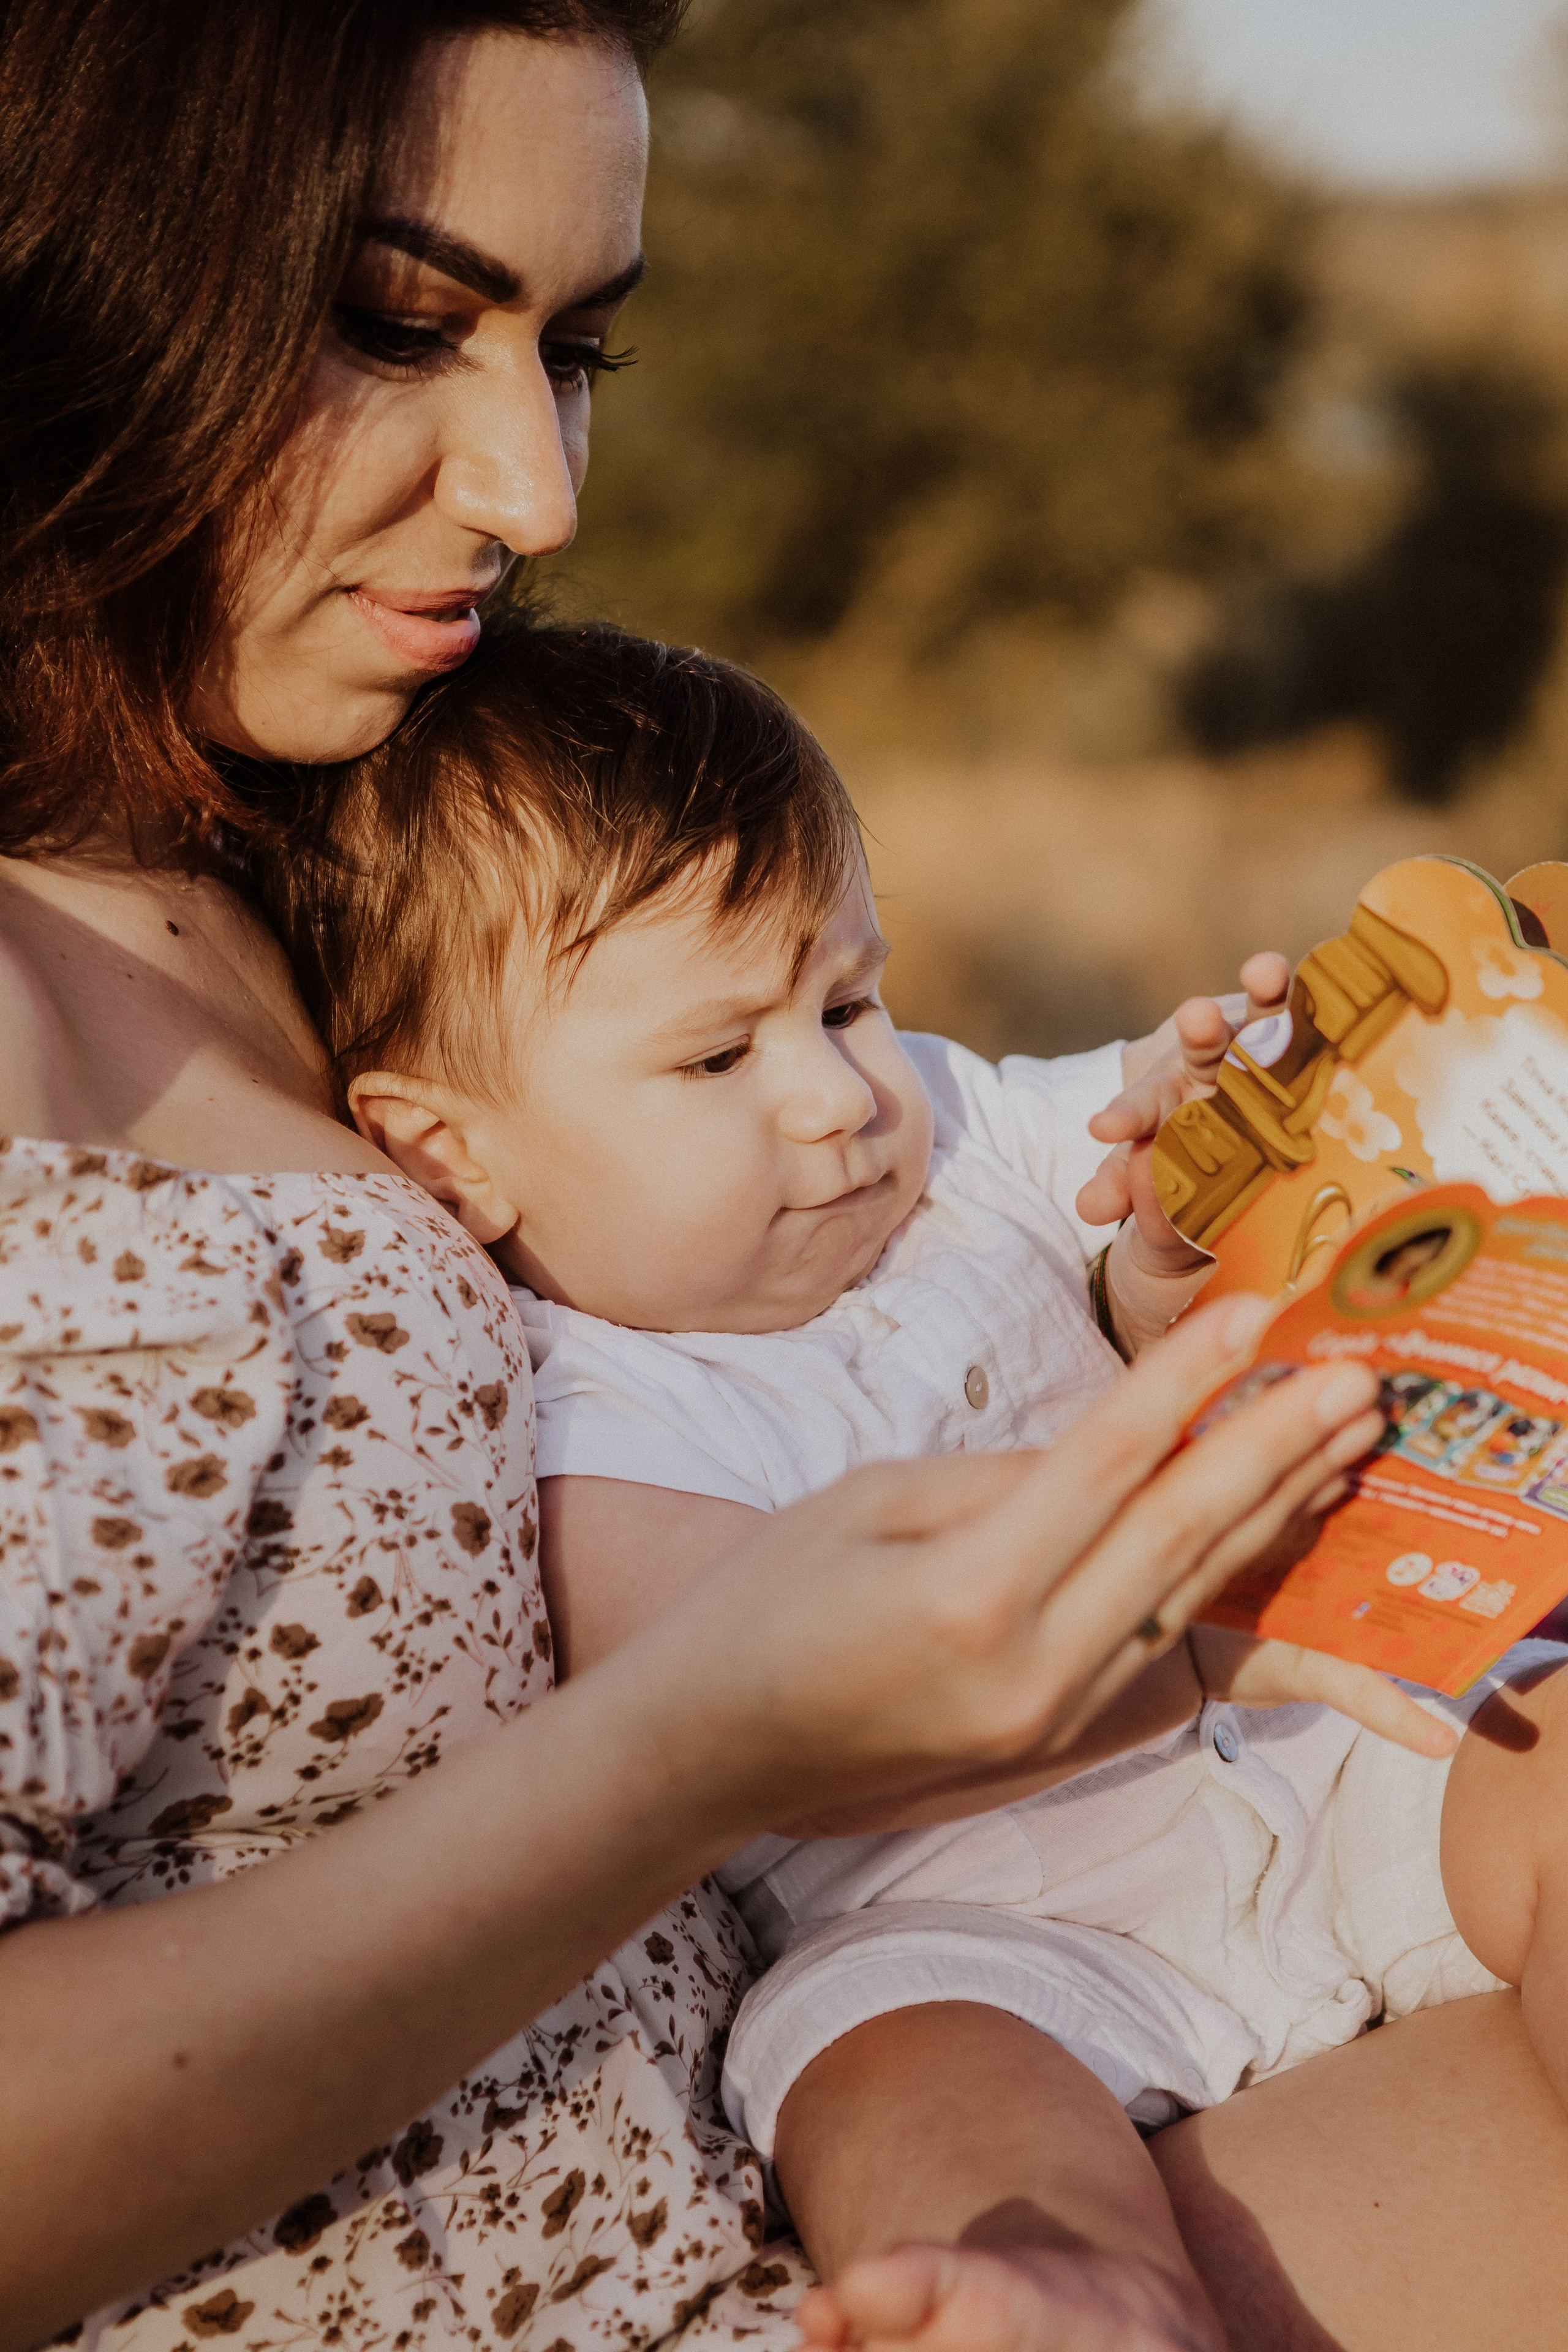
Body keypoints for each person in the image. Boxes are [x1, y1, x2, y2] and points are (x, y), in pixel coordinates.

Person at [0, 7, 1410, 2349]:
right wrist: (694, 1751)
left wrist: (1168, 1280)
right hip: (881, 2122)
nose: (536, 497)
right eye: (394, 321)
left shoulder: (358, 828)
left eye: (579, 351)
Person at [263, 614, 1568, 2352]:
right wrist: (1201, 1648)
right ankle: (1067, 2286)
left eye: (849, 997)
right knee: (889, 2075)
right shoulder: (589, 1408)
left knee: (1547, 1755)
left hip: (1342, 1765)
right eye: (718, 1058)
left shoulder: (946, 1125)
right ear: (454, 1152)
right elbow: (805, 1728)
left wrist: (1192, 1213)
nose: (834, 1098)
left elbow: (1125, 1199)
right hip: (987, 1923)